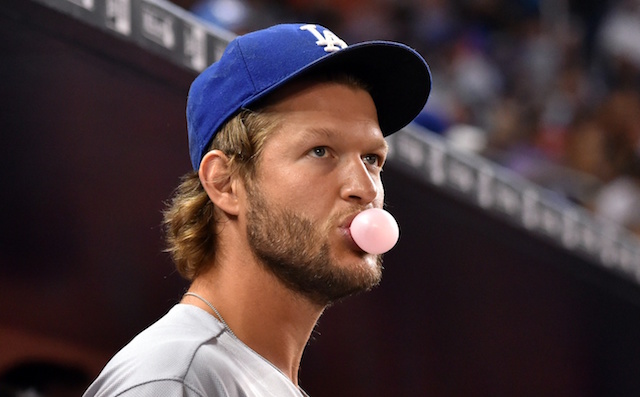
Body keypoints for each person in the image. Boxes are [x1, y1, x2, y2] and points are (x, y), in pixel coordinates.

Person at [83, 23, 431, 396]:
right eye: (320, 151)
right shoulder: (177, 380)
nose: (366, 189)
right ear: (225, 183)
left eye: (371, 158)